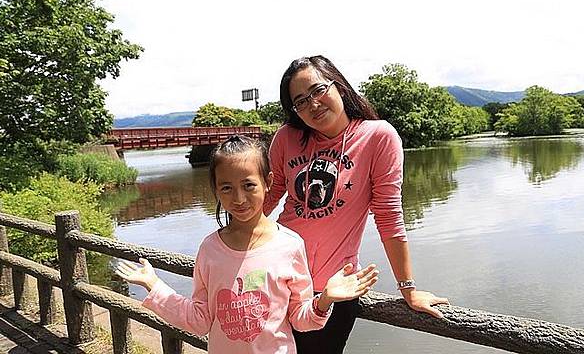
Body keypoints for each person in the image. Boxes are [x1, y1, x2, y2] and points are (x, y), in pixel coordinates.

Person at [116, 135, 379, 354]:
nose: (239, 198)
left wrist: (324, 300)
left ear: (268, 183)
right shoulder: (210, 249)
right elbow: (199, 320)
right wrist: (154, 284)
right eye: (227, 188)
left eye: (248, 185)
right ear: (216, 190)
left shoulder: (290, 245)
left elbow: (300, 318)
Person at [264, 55, 450, 353]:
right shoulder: (288, 137)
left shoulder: (377, 137)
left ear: (338, 85)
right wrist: (230, 250)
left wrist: (408, 290)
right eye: (300, 101)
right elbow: (267, 197)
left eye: (317, 90)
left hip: (333, 289)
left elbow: (388, 216)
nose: (312, 104)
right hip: (274, 278)